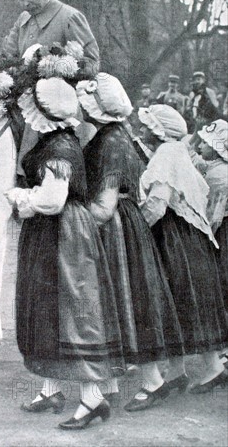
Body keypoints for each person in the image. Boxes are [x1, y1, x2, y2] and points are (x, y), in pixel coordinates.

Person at [5, 77, 125, 430]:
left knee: (73, 307)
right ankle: (52, 388)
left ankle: (92, 399)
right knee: (47, 306)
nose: (27, 117)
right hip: (51, 234)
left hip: (63, 234)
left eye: (31, 110)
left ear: (43, 113)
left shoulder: (60, 147)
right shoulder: (55, 140)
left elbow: (52, 200)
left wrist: (20, 199)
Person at [76, 74, 183, 412]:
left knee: (128, 300)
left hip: (117, 229)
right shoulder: (116, 135)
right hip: (126, 224)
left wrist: (71, 216)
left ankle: (154, 383)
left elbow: (104, 207)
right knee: (121, 302)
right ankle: (111, 382)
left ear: (97, 108)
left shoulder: (110, 144)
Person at [138, 105, 228, 394]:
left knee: (185, 300)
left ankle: (213, 369)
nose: (141, 130)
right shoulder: (174, 151)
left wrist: (136, 230)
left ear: (158, 130)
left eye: (146, 125)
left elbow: (157, 202)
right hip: (184, 236)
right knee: (181, 302)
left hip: (176, 237)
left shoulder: (166, 154)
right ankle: (178, 370)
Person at [2, 0, 100, 182]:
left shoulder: (70, 17)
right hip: (22, 99)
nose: (25, 3)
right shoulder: (23, 19)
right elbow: (7, 55)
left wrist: (53, 65)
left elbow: (92, 64)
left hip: (59, 110)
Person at [196, 119, 228, 312]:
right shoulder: (216, 169)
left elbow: (213, 216)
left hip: (222, 231)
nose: (200, 146)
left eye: (205, 143)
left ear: (216, 149)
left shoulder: (219, 175)